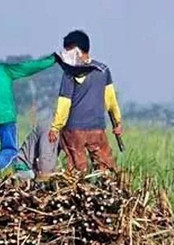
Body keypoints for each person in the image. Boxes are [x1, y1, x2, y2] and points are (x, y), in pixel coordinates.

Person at [0, 52, 57, 181]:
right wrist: (53, 59)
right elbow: (27, 68)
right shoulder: (3, 70)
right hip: (6, 119)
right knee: (10, 150)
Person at [47, 30, 123, 172]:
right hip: (97, 129)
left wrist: (55, 127)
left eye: (68, 51)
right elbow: (111, 101)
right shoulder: (103, 70)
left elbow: (64, 103)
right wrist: (117, 122)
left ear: (77, 50)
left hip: (73, 130)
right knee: (105, 168)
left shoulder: (70, 73)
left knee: (77, 171)